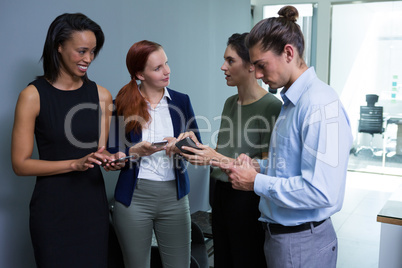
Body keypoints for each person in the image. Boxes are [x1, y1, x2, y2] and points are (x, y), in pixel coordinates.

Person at [212, 6, 353, 268]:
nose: (259, 75)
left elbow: (322, 191)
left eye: (262, 65)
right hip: (281, 238)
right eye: (254, 66)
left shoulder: (320, 105)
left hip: (302, 243)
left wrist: (256, 181)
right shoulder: (291, 103)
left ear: (288, 52)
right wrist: (258, 166)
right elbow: (290, 166)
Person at [11, 13, 124, 267]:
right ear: (58, 46)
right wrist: (74, 164)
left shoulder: (102, 96)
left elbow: (101, 152)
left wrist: (112, 160)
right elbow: (20, 164)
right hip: (52, 212)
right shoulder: (32, 96)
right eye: (81, 51)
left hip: (92, 208)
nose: (88, 59)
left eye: (93, 52)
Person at [177, 33, 281, 268]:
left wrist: (216, 157)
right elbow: (225, 151)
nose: (223, 67)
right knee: (223, 259)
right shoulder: (230, 103)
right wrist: (201, 153)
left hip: (246, 197)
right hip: (219, 192)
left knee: (245, 259)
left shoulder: (272, 107)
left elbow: (268, 166)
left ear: (251, 65)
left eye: (230, 61)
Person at [107, 40, 201, 268]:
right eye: (158, 68)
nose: (167, 71)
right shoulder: (120, 104)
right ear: (140, 73)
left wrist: (181, 146)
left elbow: (197, 148)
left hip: (175, 198)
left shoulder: (181, 100)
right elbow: (112, 154)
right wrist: (132, 152)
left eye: (166, 63)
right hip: (134, 200)